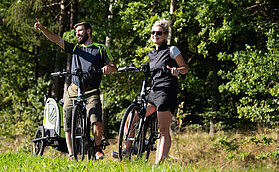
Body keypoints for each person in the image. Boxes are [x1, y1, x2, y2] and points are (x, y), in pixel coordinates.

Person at [34, 19, 117, 159]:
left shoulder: (101, 49)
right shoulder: (75, 48)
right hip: (74, 88)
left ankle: (97, 148)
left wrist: (108, 69)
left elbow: (114, 67)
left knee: (96, 119)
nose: (77, 34)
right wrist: (43, 29)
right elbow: (57, 39)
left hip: (91, 91)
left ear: (88, 31)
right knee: (68, 120)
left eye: (80, 31)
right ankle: (72, 154)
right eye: (76, 32)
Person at [114, 19, 188, 165]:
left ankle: (158, 164)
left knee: (163, 129)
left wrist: (176, 71)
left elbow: (185, 68)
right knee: (132, 116)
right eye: (153, 32)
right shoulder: (151, 53)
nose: (155, 35)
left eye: (159, 33)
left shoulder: (172, 50)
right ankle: (126, 150)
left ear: (165, 35)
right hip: (154, 91)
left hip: (166, 91)